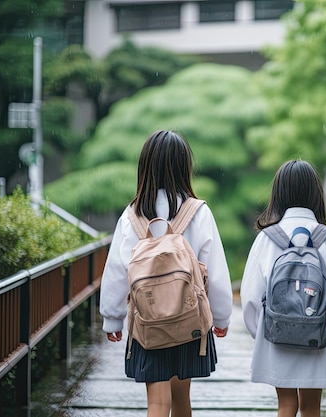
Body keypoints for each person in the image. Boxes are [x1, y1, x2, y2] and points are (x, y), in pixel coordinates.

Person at [99, 130, 234, 417]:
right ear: (184, 167)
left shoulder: (132, 214)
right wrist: (221, 317)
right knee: (182, 399)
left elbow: (117, 270)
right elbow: (217, 271)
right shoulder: (198, 212)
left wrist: (112, 318)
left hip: (147, 322)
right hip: (188, 320)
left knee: (157, 404)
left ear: (145, 167)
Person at [240, 159, 326, 417]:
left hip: (277, 333)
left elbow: (250, 296)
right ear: (316, 194)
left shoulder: (267, 238)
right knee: (310, 408)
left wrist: (262, 331)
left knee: (286, 406)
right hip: (316, 332)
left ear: (278, 194)